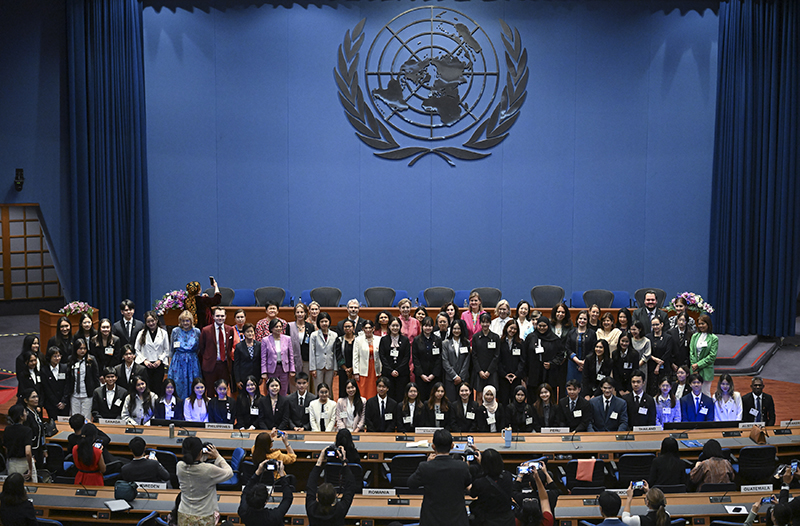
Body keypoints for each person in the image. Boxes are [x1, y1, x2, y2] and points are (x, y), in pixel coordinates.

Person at [408, 429, 472, 526]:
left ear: (433, 447)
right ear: (452, 446)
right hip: (457, 520)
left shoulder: (425, 467)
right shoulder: (462, 466)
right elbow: (469, 486)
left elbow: (411, 484)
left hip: (431, 520)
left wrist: (427, 462)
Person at [176, 437, 233, 526]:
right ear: (200, 452)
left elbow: (193, 463)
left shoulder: (179, 466)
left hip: (184, 514)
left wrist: (201, 458)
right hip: (204, 516)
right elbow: (229, 473)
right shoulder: (208, 469)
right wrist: (218, 456)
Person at [305, 445, 357, 526]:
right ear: (334, 497)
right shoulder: (339, 510)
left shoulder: (312, 509)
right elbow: (350, 486)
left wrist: (320, 460)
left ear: (317, 497)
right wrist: (343, 461)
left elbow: (311, 485)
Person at [238, 458, 294, 526]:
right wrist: (282, 475)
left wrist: (257, 472)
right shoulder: (273, 516)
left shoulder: (243, 512)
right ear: (267, 500)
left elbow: (245, 491)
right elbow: (288, 498)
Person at [469, 448, 515, 526]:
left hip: (488, 520)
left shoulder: (480, 482)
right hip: (507, 519)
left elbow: (472, 493)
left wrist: (481, 466)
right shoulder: (508, 476)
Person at [524, 318, 565, 400]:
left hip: (549, 374)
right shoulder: (531, 337)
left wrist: (552, 363)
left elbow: (560, 354)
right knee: (533, 398)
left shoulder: (555, 339)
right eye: (540, 326)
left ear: (548, 326)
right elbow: (525, 355)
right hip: (533, 374)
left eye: (544, 326)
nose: (542, 328)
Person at [135, 310, 170, 396]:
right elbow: (136, 349)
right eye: (148, 321)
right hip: (146, 365)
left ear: (157, 320)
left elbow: (166, 350)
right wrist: (144, 361)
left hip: (158, 365)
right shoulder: (141, 333)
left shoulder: (163, 333)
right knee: (146, 388)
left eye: (152, 321)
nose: (151, 323)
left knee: (157, 388)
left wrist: (159, 360)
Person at [169, 310, 202, 399]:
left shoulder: (196, 331)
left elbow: (199, 347)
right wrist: (169, 364)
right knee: (178, 383)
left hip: (192, 361)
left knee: (193, 383)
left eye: (187, 320)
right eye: (183, 321)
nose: (185, 323)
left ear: (191, 321)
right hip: (178, 361)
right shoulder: (175, 331)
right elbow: (171, 348)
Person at [64, 338, 100, 420]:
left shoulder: (91, 360)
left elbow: (96, 377)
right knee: (75, 418)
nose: (82, 351)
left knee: (86, 418)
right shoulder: (71, 360)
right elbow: (69, 379)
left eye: (84, 348)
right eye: (80, 348)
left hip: (87, 394)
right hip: (74, 395)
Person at [199, 306, 234, 390]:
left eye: (222, 316)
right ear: (213, 316)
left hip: (224, 365)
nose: (220, 318)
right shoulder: (206, 330)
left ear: (225, 317)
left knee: (223, 390)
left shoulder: (230, 330)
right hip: (210, 365)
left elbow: (229, 346)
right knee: (210, 391)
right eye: (218, 316)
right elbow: (202, 347)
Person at [379, 317, 411, 401]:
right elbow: (382, 356)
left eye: (397, 325)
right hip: (388, 374)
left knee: (401, 396)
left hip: (402, 374)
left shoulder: (405, 340)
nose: (395, 328)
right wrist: (391, 371)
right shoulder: (384, 340)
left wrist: (398, 370)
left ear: (400, 327)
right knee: (389, 397)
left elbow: (406, 357)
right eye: (393, 325)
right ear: (389, 326)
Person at [412, 316, 442, 403]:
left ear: (433, 327)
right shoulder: (417, 340)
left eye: (430, 326)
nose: (428, 328)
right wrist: (421, 374)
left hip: (434, 375)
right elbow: (415, 358)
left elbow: (439, 358)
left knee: (434, 397)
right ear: (422, 327)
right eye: (426, 326)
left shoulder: (438, 340)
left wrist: (433, 374)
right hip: (421, 375)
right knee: (421, 398)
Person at [261, 318, 295, 395]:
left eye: (280, 327)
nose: (279, 328)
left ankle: (282, 406)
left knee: (283, 390)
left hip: (284, 369)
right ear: (271, 328)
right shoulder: (265, 340)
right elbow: (263, 357)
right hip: (271, 369)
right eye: (276, 327)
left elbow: (291, 355)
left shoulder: (287, 339)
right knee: (272, 390)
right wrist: (264, 371)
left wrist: (292, 369)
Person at [472, 312, 501, 400]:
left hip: (491, 371)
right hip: (479, 371)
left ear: (490, 323)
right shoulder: (476, 337)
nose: (485, 324)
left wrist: (489, 371)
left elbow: (497, 355)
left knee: (491, 395)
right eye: (483, 322)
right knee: (479, 396)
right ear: (480, 323)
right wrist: (480, 371)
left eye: (487, 322)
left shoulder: (495, 337)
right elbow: (474, 355)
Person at [442, 319, 471, 402]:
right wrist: (454, 376)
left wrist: (460, 377)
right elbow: (445, 361)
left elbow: (467, 361)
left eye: (458, 329)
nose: (456, 331)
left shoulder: (466, 342)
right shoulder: (445, 343)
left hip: (464, 378)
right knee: (450, 401)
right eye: (454, 328)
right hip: (450, 378)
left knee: (464, 401)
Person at [689, 315, 718, 396]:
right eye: (699, 324)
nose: (701, 326)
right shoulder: (694, 336)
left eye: (703, 323)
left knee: (705, 393)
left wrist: (698, 365)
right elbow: (692, 352)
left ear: (708, 324)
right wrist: (694, 366)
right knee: (694, 393)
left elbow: (712, 356)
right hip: (695, 369)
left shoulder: (713, 338)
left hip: (706, 370)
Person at [4, 405, 35, 481]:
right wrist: (30, 469)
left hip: (11, 463)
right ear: (21, 416)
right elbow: (28, 452)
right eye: (25, 412)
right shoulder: (27, 430)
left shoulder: (7, 429)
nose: (26, 413)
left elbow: (5, 448)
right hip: (24, 464)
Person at [498, 319, 525, 406]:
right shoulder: (500, 342)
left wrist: (516, 374)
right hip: (503, 377)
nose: (512, 331)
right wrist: (504, 374)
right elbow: (497, 359)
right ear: (506, 328)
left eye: (515, 329)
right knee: (503, 400)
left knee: (515, 401)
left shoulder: (520, 343)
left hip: (516, 377)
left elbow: (522, 360)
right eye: (511, 328)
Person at [565, 310, 596, 384]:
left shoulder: (592, 333)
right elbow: (567, 348)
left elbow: (593, 349)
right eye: (580, 318)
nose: (582, 320)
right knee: (571, 385)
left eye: (585, 319)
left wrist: (584, 362)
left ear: (588, 321)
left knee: (585, 385)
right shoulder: (571, 332)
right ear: (577, 320)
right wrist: (577, 361)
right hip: (572, 363)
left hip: (588, 363)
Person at [309, 312, 337, 393]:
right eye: (322, 321)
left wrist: (335, 368)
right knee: (318, 387)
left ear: (329, 322)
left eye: (326, 321)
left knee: (329, 387)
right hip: (318, 365)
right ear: (318, 323)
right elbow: (312, 352)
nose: (324, 323)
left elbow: (335, 352)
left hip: (330, 365)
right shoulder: (314, 335)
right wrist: (312, 368)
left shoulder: (334, 335)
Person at [353, 319, 381, 399]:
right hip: (363, 369)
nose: (368, 330)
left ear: (373, 329)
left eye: (370, 328)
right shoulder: (358, 340)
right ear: (363, 329)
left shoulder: (379, 339)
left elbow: (381, 356)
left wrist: (381, 370)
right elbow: (355, 357)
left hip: (375, 368)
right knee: (363, 391)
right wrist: (356, 372)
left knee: (375, 389)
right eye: (366, 328)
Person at [646, 318, 674, 396]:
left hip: (664, 367)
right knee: (651, 389)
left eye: (657, 324)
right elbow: (646, 351)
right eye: (653, 325)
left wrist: (659, 365)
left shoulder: (668, 337)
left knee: (664, 388)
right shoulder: (648, 337)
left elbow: (668, 353)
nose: (655, 327)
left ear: (662, 324)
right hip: (651, 366)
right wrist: (654, 359)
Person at [287, 303, 314, 382]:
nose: (300, 314)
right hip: (293, 359)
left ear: (305, 313)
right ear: (295, 313)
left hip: (306, 359)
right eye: (298, 312)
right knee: (294, 382)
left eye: (302, 312)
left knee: (306, 381)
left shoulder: (310, 327)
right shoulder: (290, 326)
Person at [42, 346, 68, 421]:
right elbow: (46, 388)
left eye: (59, 356)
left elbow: (67, 385)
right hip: (51, 404)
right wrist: (56, 403)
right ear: (49, 357)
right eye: (55, 356)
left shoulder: (65, 368)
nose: (57, 358)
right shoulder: (44, 370)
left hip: (64, 404)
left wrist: (63, 401)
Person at [234, 323, 261, 393]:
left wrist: (261, 376)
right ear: (244, 333)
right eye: (248, 332)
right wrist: (237, 380)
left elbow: (261, 361)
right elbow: (236, 364)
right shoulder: (239, 346)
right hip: (243, 376)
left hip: (256, 376)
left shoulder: (259, 345)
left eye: (251, 331)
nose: (250, 333)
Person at [334, 319, 356, 399]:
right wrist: (346, 369)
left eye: (349, 326)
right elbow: (338, 355)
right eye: (345, 327)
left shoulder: (358, 339)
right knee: (343, 390)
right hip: (343, 370)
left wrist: (353, 368)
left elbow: (360, 355)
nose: (347, 328)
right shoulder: (340, 340)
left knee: (355, 389)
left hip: (356, 370)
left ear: (353, 328)